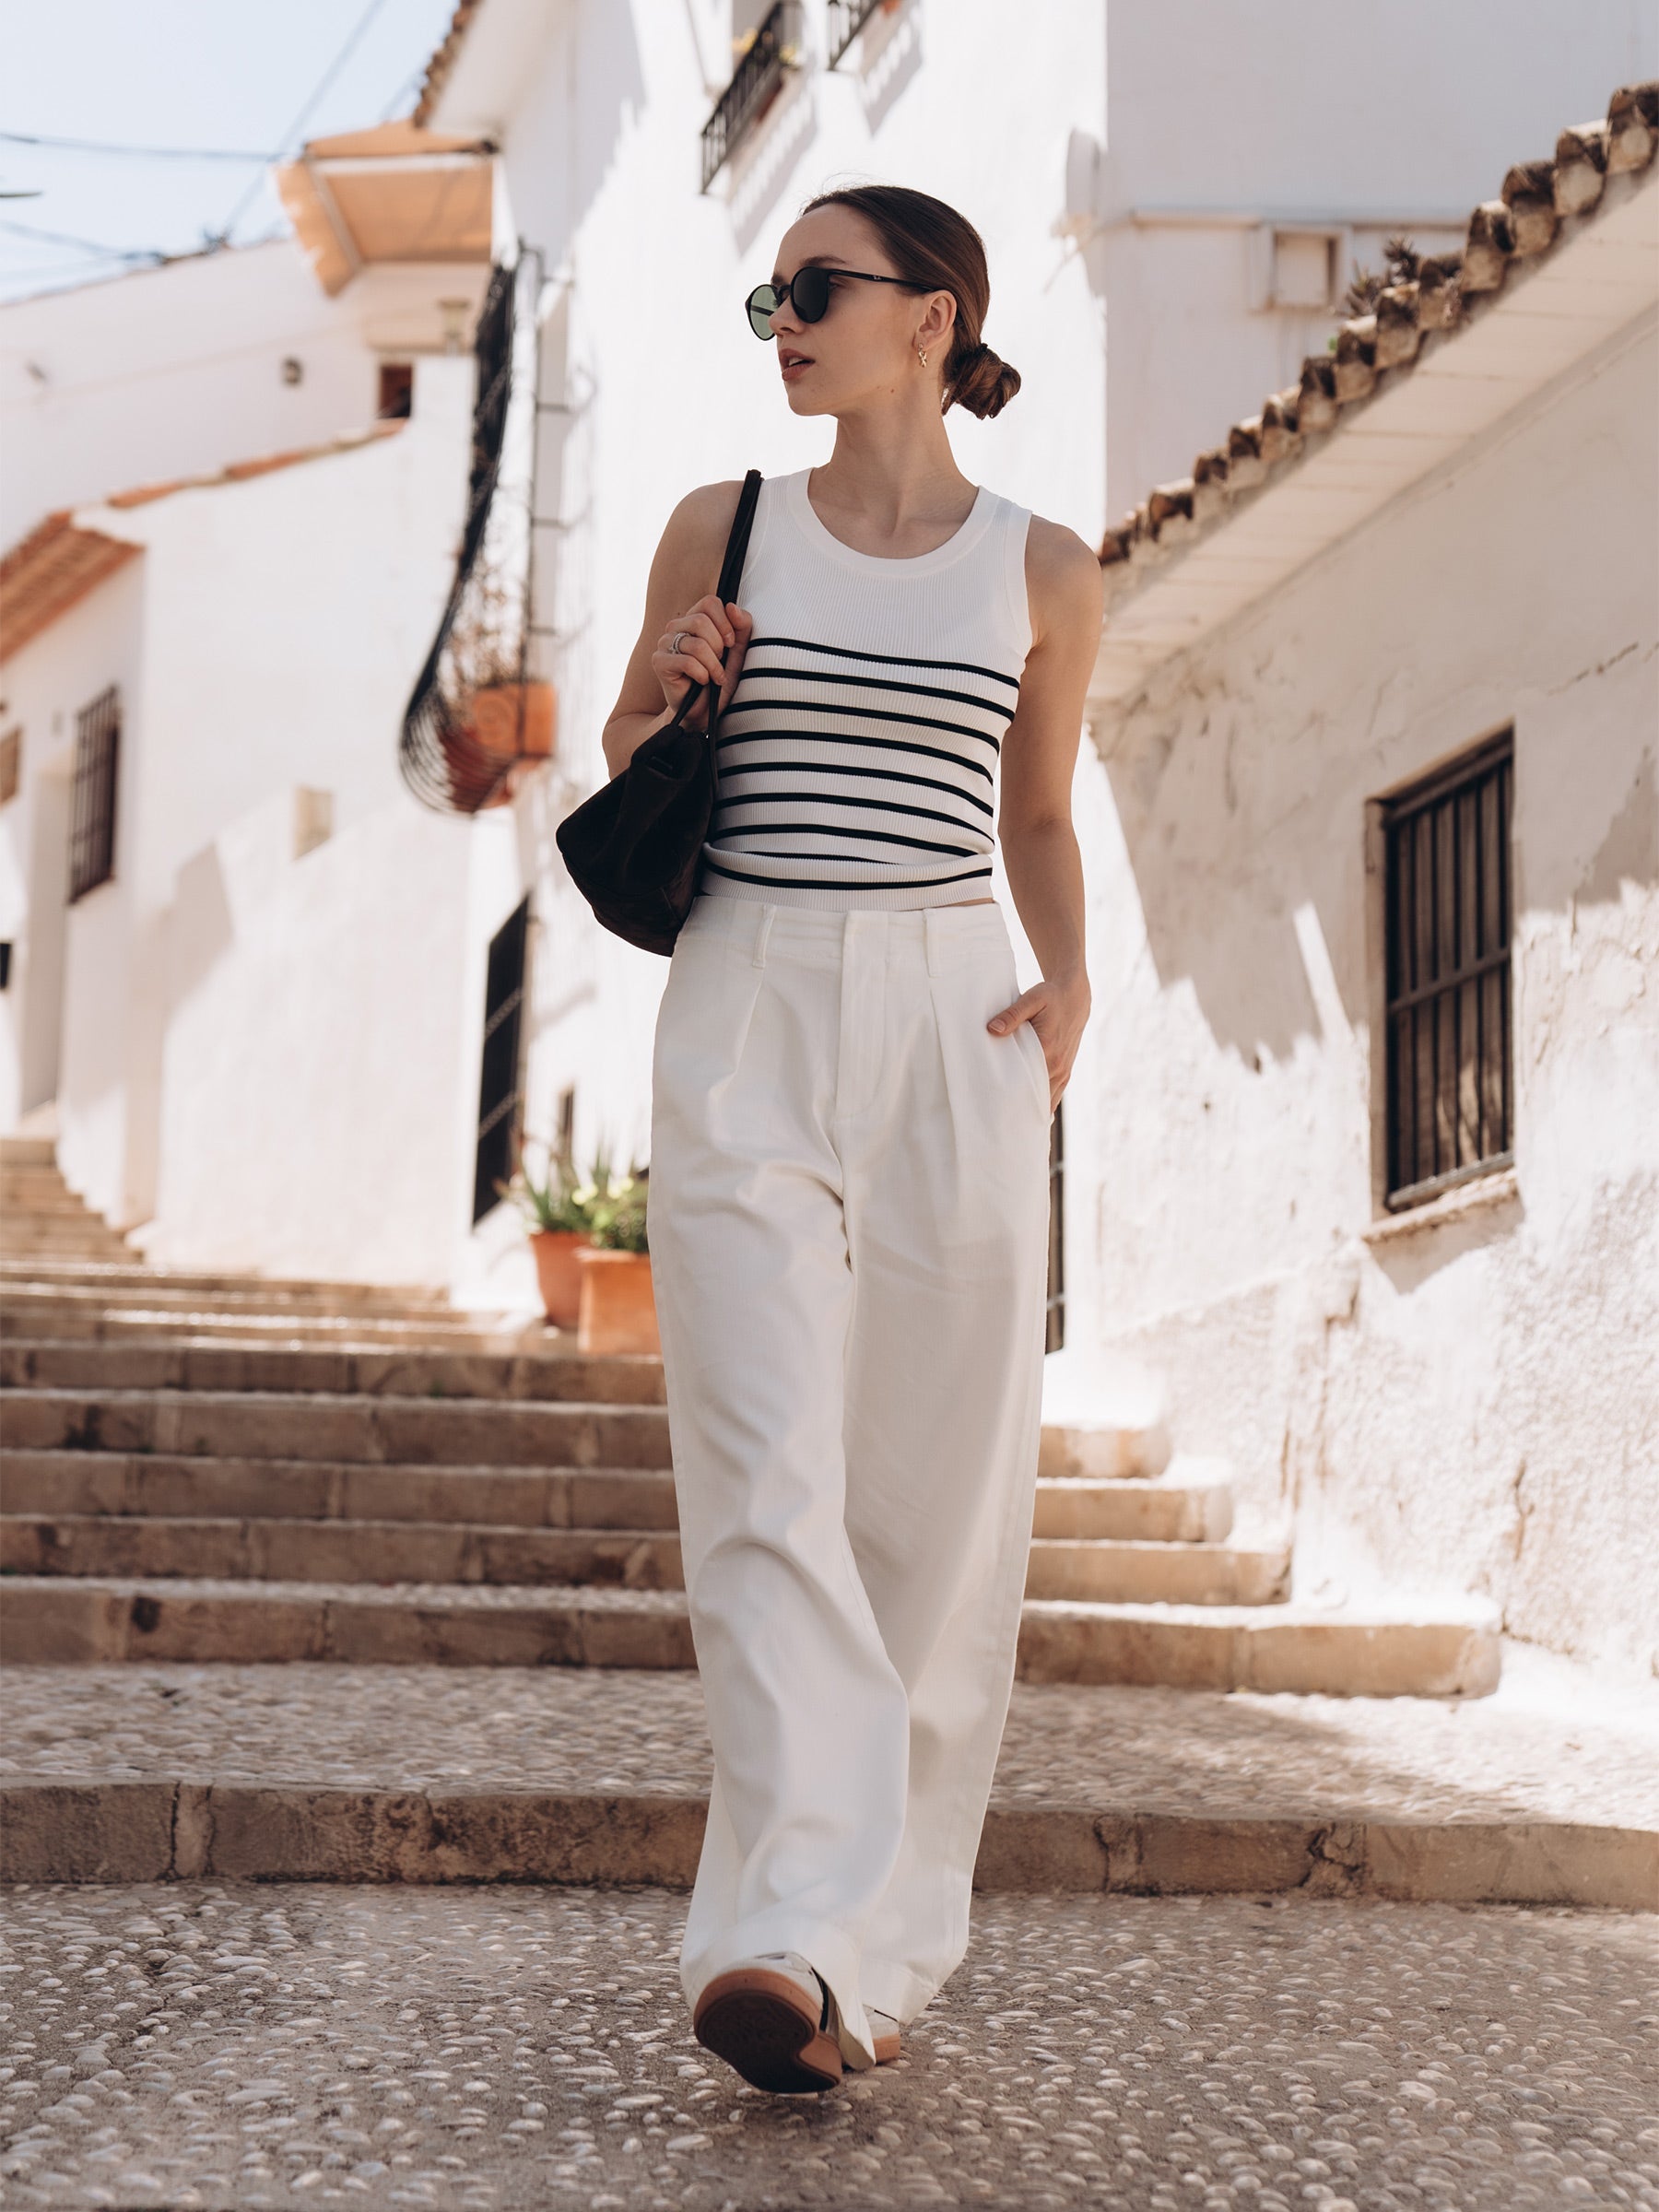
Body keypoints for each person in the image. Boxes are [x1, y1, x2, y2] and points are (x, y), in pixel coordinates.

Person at [598, 183, 1102, 2095]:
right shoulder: (720, 526)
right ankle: (788, 1931)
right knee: (759, 1469)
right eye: (771, 297)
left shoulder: (1044, 571)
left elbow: (1034, 812)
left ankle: (869, 1963)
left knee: (935, 1506)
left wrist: (1072, 984)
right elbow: (632, 769)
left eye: (815, 289)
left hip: (957, 1012)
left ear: (931, 316)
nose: (784, 322)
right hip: (749, 994)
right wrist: (666, 700)